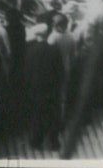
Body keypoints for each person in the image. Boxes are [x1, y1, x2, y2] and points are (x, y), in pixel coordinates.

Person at [24, 22, 64, 150]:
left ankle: (37, 141)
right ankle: (54, 142)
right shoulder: (54, 50)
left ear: (37, 35)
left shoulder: (31, 51)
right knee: (53, 115)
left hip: (36, 90)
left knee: (37, 115)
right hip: (52, 89)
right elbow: (60, 71)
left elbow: (27, 72)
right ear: (46, 35)